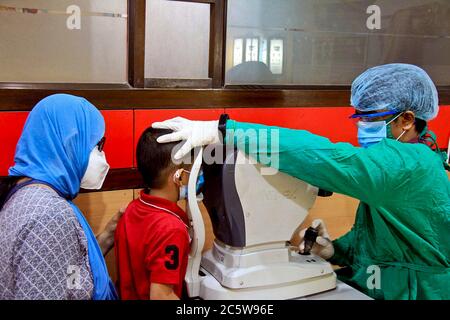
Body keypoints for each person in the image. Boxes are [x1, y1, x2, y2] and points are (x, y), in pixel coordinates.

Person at [152, 64, 450, 300]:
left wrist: (225, 130)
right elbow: (380, 245)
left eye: (370, 118)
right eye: (358, 117)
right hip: (380, 283)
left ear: (407, 119)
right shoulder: (399, 160)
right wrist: (335, 250)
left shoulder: (408, 165)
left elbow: (325, 157)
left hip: (414, 291)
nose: (362, 126)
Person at [0, 94, 120, 300]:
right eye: (98, 146)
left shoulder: (26, 194)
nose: (103, 157)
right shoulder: (50, 216)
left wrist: (107, 237)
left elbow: (61, 273)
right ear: (70, 142)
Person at [114, 127, 192, 300]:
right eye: (190, 171)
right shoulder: (171, 229)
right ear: (179, 177)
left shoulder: (133, 208)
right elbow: (161, 296)